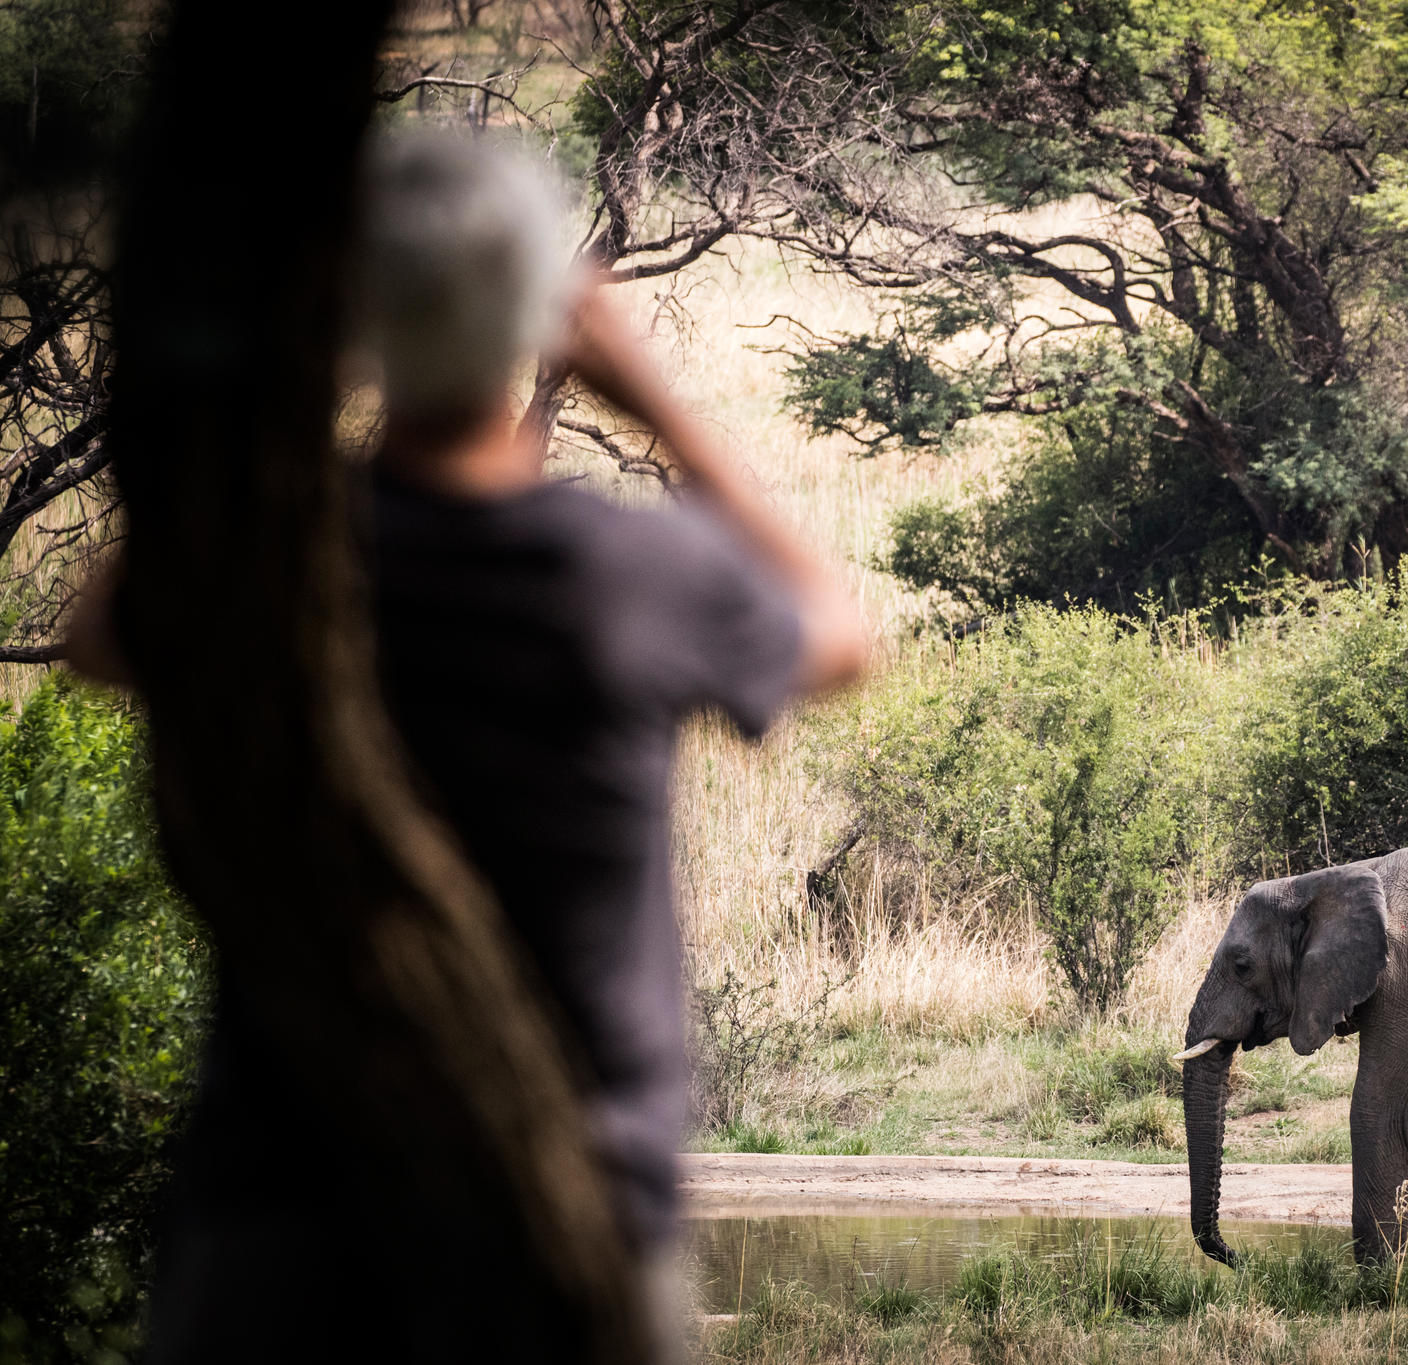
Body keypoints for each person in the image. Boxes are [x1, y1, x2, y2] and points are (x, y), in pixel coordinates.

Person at [68, 133, 865, 1357]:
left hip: (285, 1194)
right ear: (537, 321)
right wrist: (654, 403)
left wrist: (285, 376)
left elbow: (101, 629)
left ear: (359, 313)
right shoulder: (618, 576)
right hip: (573, 1204)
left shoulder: (283, 568)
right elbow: (837, 636)